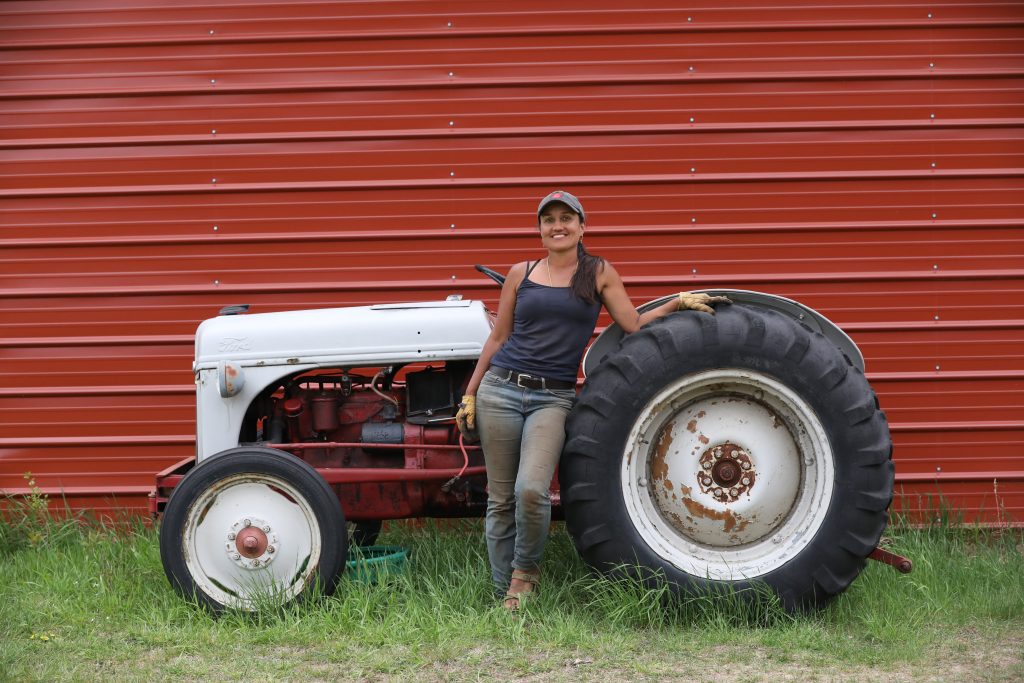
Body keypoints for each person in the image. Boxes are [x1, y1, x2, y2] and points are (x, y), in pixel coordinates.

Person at [455, 190, 729, 611]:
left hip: (552, 397)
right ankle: (501, 594)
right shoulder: (520, 272)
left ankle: (524, 576)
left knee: (531, 490)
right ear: (540, 229)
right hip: (501, 390)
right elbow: (498, 336)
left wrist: (676, 303)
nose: (558, 226)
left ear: (582, 226)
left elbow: (633, 324)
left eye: (567, 218)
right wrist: (470, 393)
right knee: (500, 498)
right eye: (549, 220)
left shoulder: (597, 272)